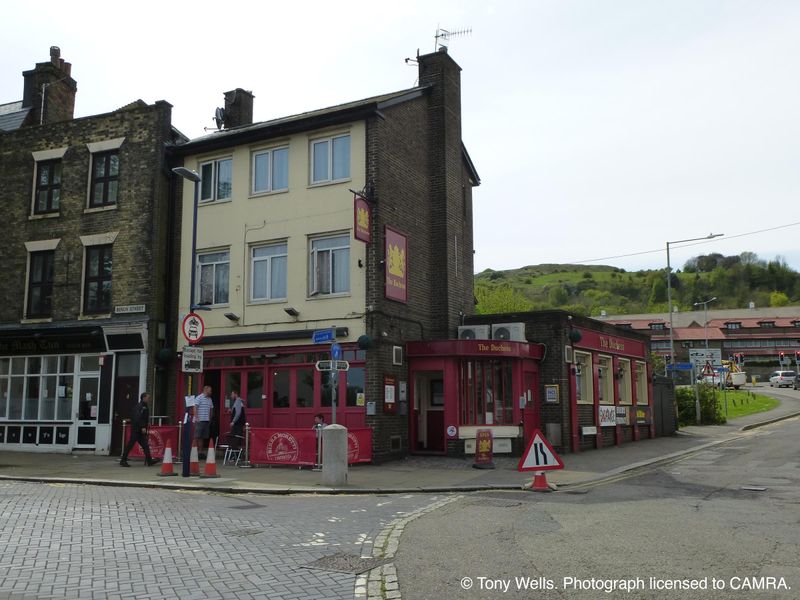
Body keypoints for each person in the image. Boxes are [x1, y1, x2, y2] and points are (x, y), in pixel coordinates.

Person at [120, 393, 160, 467]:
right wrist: (142, 427)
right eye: (148, 398)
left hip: (139, 430)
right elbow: (137, 417)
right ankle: (123, 460)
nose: (149, 399)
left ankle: (149, 460)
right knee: (130, 445)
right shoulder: (140, 406)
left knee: (145, 445)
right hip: (136, 430)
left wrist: (147, 423)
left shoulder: (144, 406)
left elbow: (143, 417)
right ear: (143, 398)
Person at [194, 384, 214, 458]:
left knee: (202, 437)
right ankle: (194, 451)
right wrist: (196, 417)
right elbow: (195, 407)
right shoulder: (199, 398)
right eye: (210, 390)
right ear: (205, 390)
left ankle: (200, 452)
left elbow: (211, 409)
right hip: (200, 420)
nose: (211, 392)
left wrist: (210, 418)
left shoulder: (210, 399)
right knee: (197, 436)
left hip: (206, 420)